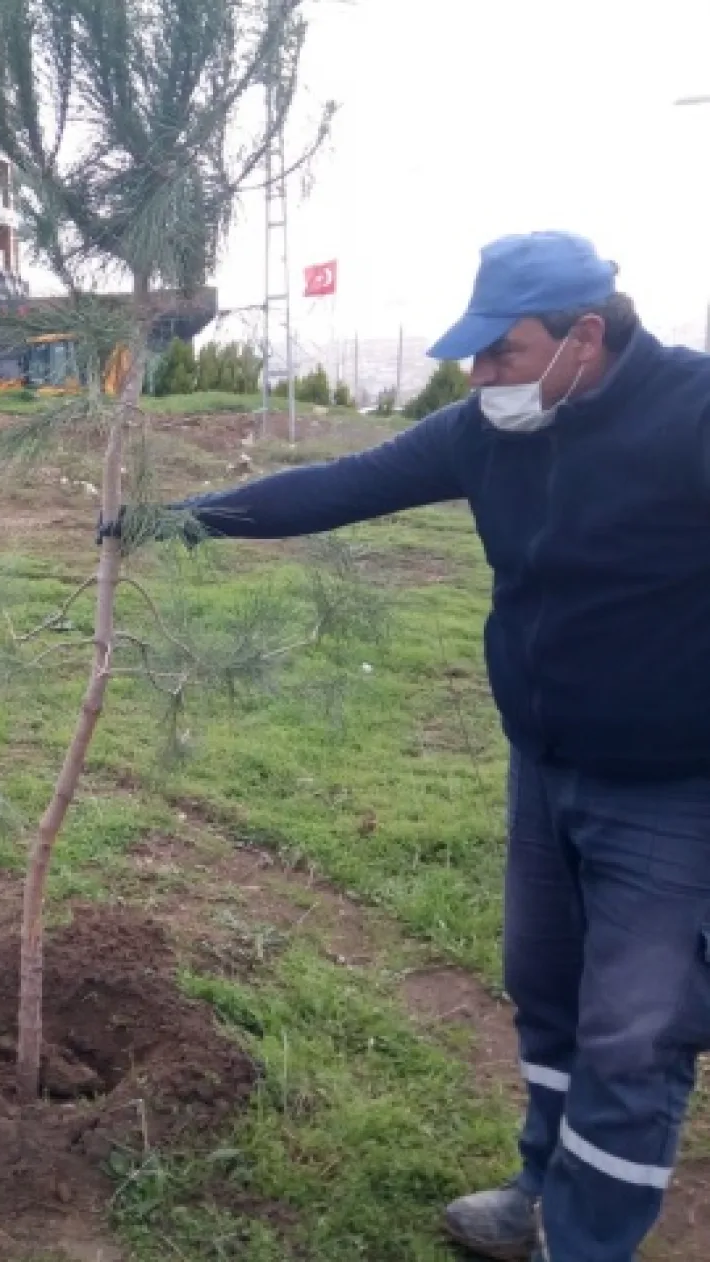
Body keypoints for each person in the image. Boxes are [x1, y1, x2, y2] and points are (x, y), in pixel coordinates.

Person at [141, 232, 710, 1262]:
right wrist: (177, 519)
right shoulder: (487, 433)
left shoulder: (692, 414)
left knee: (635, 1029)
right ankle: (539, 1186)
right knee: (544, 986)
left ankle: (584, 1243)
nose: (479, 375)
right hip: (543, 765)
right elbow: (339, 484)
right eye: (474, 354)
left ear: (585, 335)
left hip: (674, 786)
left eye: (502, 351)